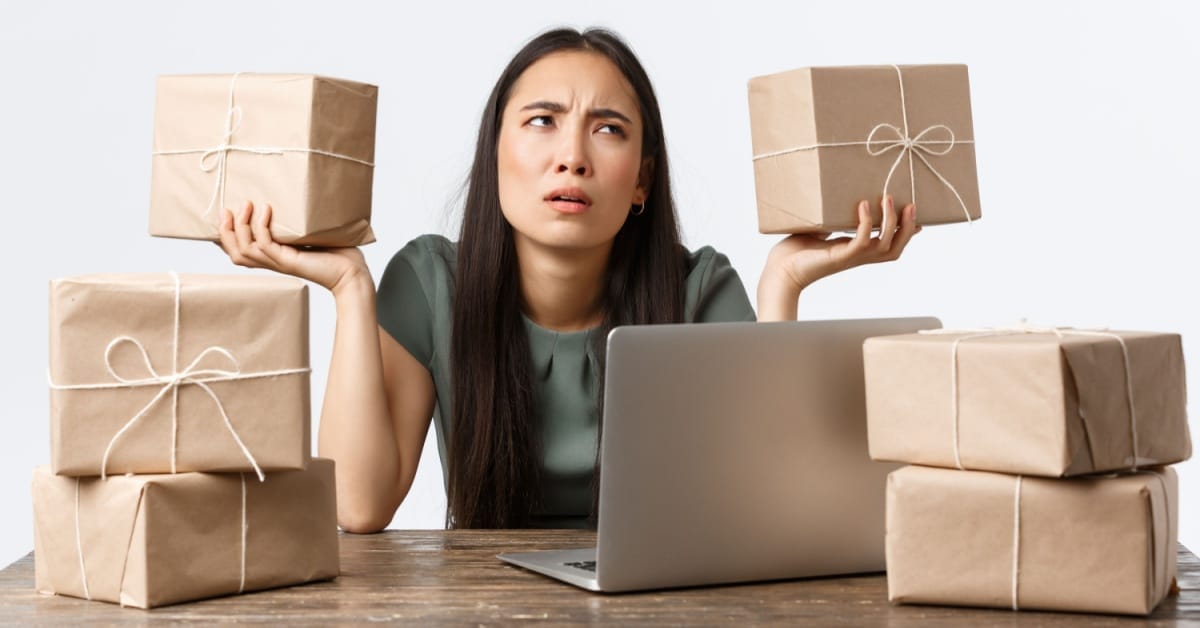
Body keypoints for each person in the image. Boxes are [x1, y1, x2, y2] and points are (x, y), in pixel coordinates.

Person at [217, 27, 918, 532]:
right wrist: (349, 291)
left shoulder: (700, 290)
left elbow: (771, 507)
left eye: (608, 129)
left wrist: (782, 289)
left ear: (641, 180)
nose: (571, 157)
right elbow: (357, 507)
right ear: (497, 153)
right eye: (542, 122)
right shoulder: (430, 282)